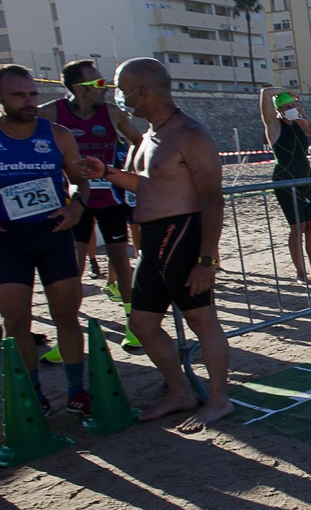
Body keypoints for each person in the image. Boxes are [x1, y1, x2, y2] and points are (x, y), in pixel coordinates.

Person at [81, 58, 231, 434]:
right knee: (142, 323)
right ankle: (180, 391)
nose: (116, 95)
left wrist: (207, 259)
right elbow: (150, 186)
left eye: (120, 87)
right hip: (151, 240)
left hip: (182, 234)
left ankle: (218, 399)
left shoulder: (190, 134)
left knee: (201, 320)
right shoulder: (149, 135)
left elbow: (212, 199)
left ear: (141, 91)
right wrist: (110, 174)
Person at [0, 65, 92, 414]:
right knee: (16, 324)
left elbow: (80, 179)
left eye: (32, 94)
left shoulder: (57, 134)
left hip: (54, 235)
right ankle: (34, 393)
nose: (29, 102)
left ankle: (77, 389)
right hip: (9, 238)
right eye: (19, 95)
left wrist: (77, 206)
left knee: (67, 317)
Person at [41, 60, 144, 347]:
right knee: (73, 266)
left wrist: (126, 171)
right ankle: (68, 333)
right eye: (98, 84)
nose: (105, 89)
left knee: (121, 262)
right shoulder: (52, 113)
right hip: (75, 199)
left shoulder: (111, 113)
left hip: (109, 197)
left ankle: (133, 324)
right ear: (78, 89)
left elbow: (139, 140)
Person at [260, 87, 311, 283]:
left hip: (306, 177)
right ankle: (301, 273)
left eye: (293, 105)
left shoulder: (300, 124)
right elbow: (265, 93)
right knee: (297, 227)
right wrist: (288, 90)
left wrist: (304, 113)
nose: (292, 108)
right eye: (288, 106)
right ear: (279, 109)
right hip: (285, 179)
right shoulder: (273, 126)